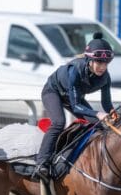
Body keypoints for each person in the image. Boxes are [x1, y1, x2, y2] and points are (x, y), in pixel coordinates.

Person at [35, 32, 115, 181]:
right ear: (89, 60)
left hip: (73, 97)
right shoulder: (75, 71)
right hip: (53, 92)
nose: (102, 67)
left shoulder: (105, 77)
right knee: (59, 122)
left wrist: (113, 113)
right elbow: (76, 106)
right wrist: (98, 114)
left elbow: (106, 103)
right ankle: (41, 163)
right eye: (99, 62)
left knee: (98, 126)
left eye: (106, 63)